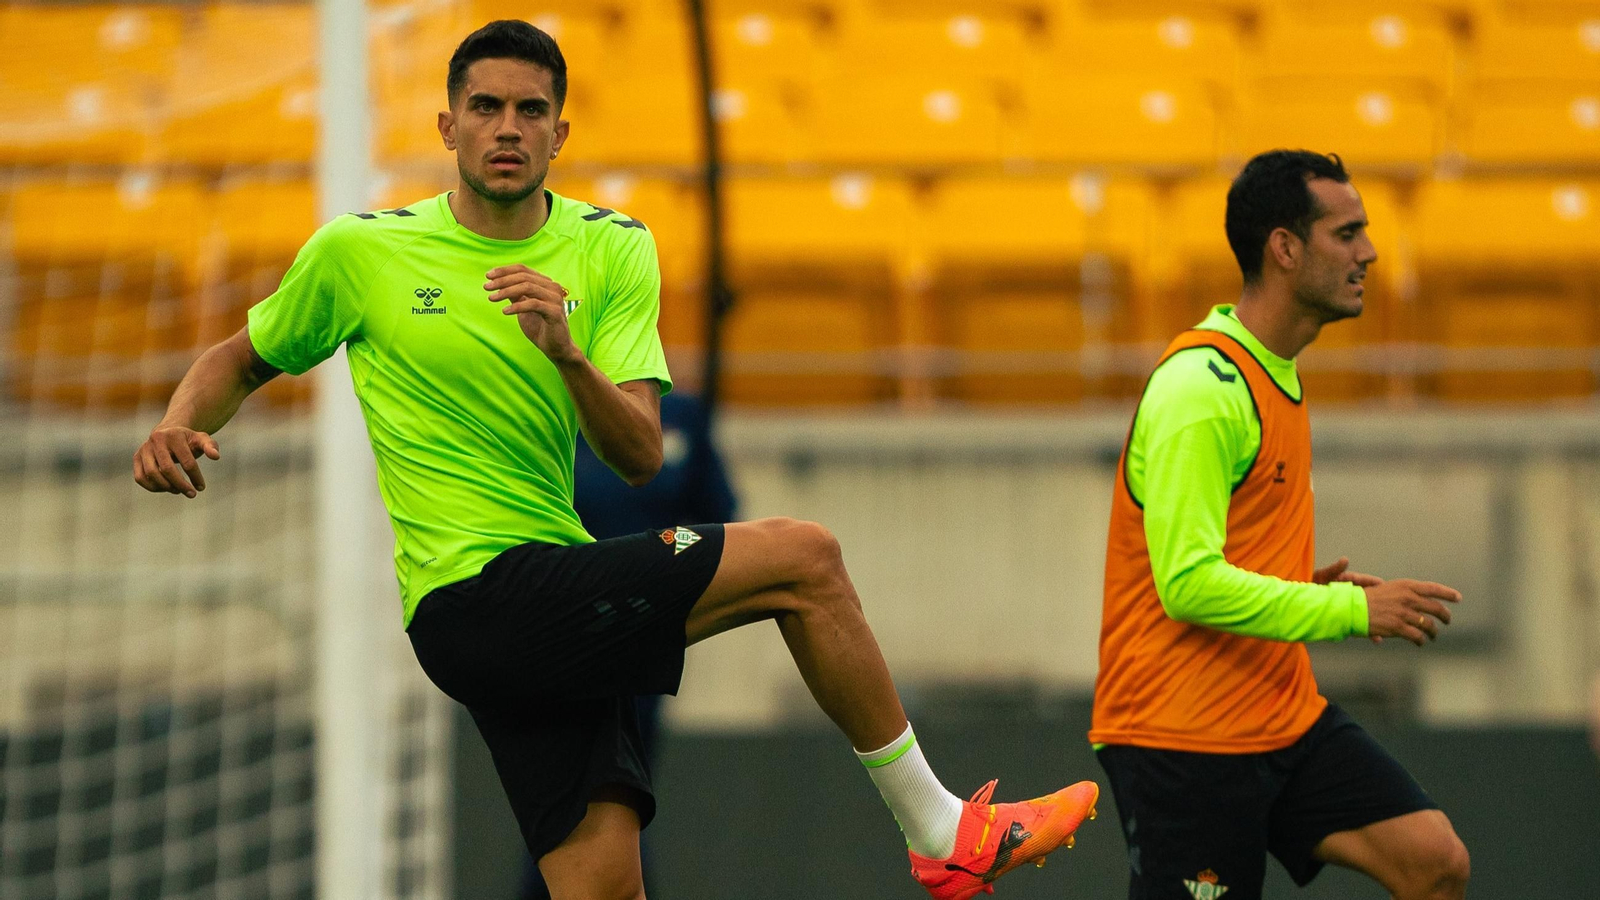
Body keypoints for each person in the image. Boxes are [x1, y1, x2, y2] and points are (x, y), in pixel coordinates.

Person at [131, 20, 1097, 900]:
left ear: (559, 134)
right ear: (446, 125)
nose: (506, 127)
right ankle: (942, 830)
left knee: (604, 891)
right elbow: (241, 358)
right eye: (485, 108)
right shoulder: (361, 254)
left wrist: (568, 353)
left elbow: (638, 455)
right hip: (472, 598)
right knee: (806, 558)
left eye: (529, 110)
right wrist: (178, 420)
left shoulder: (611, 251)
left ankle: (943, 836)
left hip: (554, 592)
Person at [1090, 150, 1471, 900]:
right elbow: (1188, 585)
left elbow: (1224, 554)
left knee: (1435, 861)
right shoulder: (1202, 388)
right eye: (1347, 232)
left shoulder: (1277, 370)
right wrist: (1352, 610)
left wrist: (1294, 585)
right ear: (1285, 248)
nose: (1368, 252)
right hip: (1179, 736)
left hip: (1280, 716)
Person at [519, 389, 739, 900]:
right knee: (569, 808)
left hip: (639, 651)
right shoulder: (539, 404)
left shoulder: (679, 416)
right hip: (557, 651)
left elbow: (718, 524)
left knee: (617, 806)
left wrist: (664, 559)